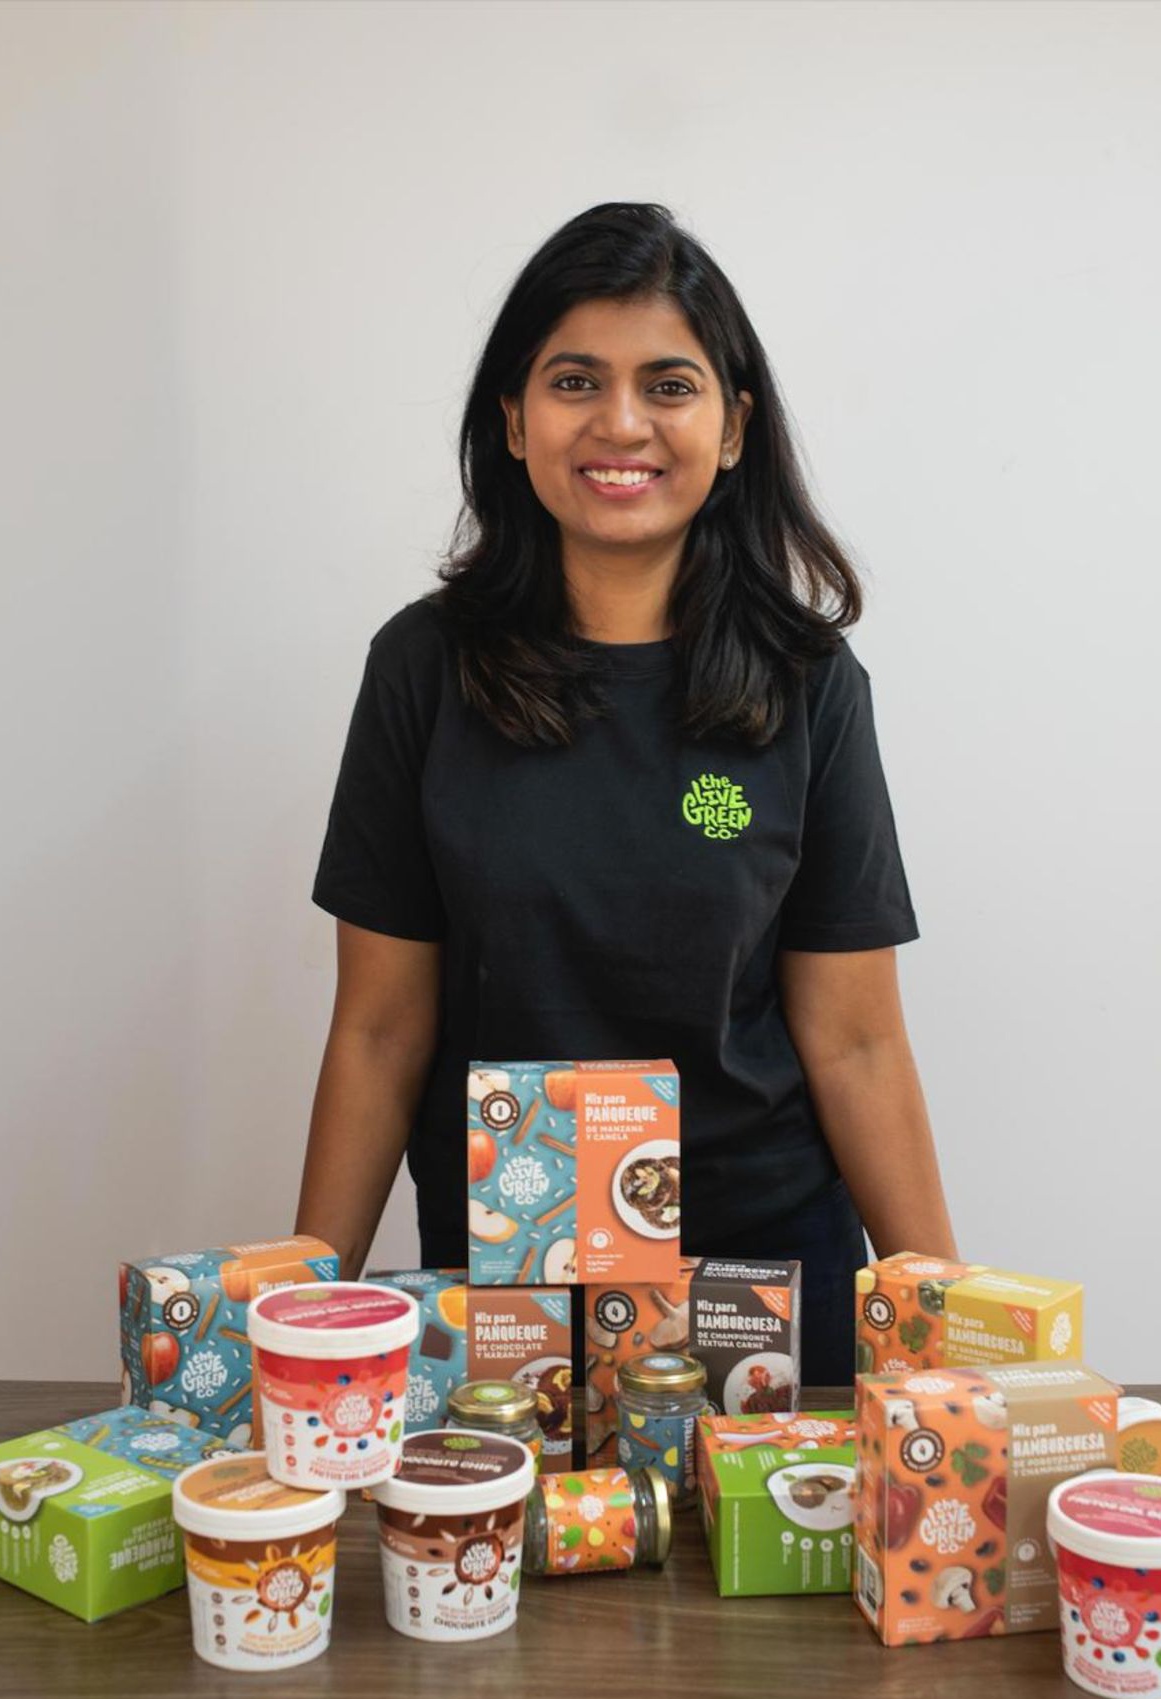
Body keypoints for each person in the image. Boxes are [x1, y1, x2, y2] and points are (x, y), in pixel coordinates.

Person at [295, 201, 956, 1386]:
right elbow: (381, 1030)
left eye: (667, 385)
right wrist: (303, 1321)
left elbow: (855, 1040)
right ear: (512, 418)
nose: (619, 423)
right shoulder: (423, 669)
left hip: (762, 1283)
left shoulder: (808, 684)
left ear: (732, 426)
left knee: (754, 1518)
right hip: (512, 1273)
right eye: (573, 381)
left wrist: (950, 1341)